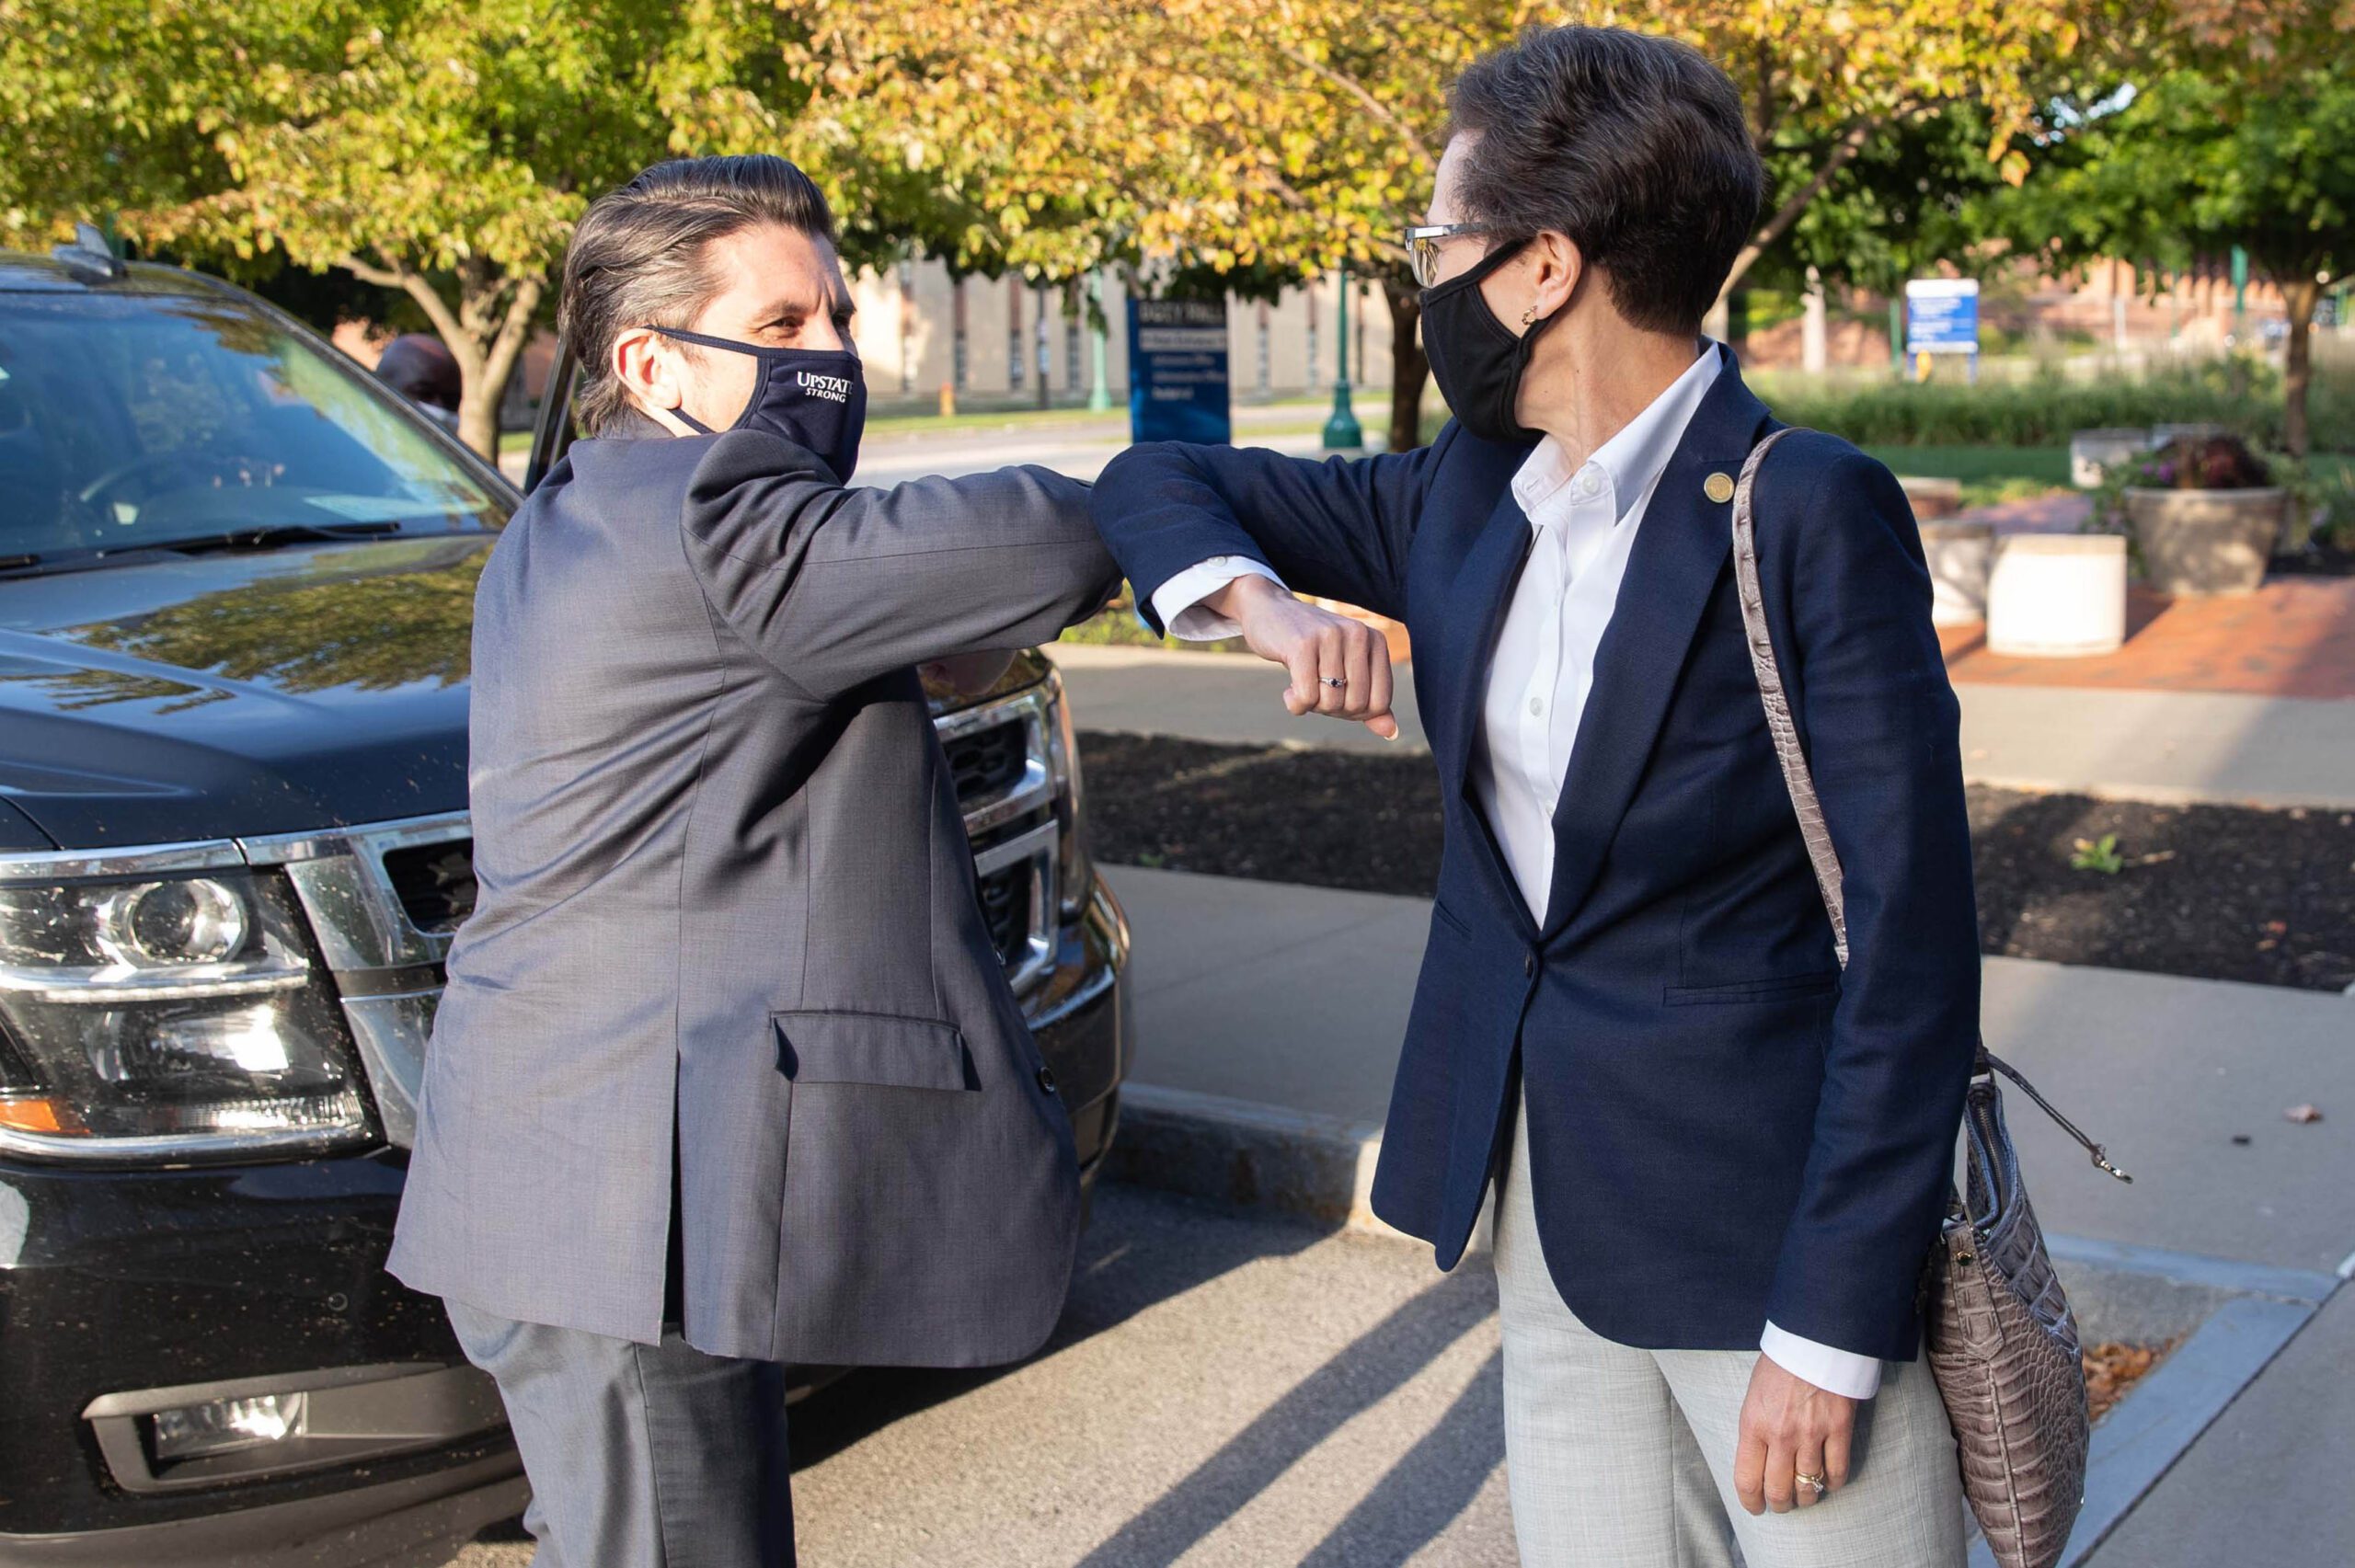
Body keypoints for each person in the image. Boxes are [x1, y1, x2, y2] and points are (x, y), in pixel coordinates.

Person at [1090, 26, 1976, 1568]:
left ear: (1544, 266)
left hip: (1767, 1251)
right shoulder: (1466, 495)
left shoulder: (1808, 508)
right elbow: (1152, 481)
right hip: (1547, 1231)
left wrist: (1830, 1329)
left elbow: (1912, 953)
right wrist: (1268, 609)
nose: (1426, 274)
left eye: (1439, 239)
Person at [388, 155, 1119, 1568]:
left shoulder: (575, 513)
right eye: (784, 327)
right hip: (623, 1212)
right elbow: (1046, 529)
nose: (833, 354)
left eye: (838, 318)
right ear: (649, 357)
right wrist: (1208, 518)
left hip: (560, 1178)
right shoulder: (715, 522)